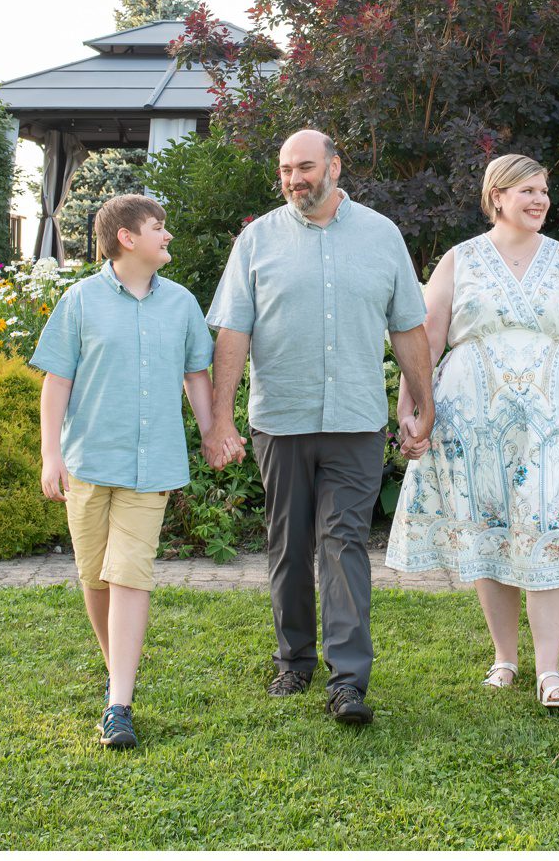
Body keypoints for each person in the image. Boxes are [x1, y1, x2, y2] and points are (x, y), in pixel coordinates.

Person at [204, 129, 436, 726]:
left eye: (304, 167)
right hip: (280, 419)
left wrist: (421, 404)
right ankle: (295, 659)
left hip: (355, 420)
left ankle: (349, 680)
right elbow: (233, 332)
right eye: (285, 170)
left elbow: (409, 327)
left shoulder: (381, 236)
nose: (293, 180)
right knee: (288, 544)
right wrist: (222, 416)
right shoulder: (256, 241)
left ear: (334, 166)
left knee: (344, 543)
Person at [384, 154, 559, 710]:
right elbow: (427, 337)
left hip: (558, 419)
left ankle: (551, 670)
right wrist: (412, 409)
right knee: (491, 528)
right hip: (474, 421)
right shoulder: (461, 259)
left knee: (552, 522)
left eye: (543, 191)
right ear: (496, 197)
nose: (539, 200)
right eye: (526, 191)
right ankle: (505, 659)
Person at [30, 193, 232, 751]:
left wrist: (214, 430)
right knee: (95, 578)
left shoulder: (182, 304)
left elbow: (197, 375)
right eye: (157, 227)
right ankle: (116, 669)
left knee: (129, 575)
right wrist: (51, 455)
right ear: (126, 237)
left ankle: (119, 701)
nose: (167, 235)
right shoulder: (79, 301)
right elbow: (56, 383)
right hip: (89, 462)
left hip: (153, 464)